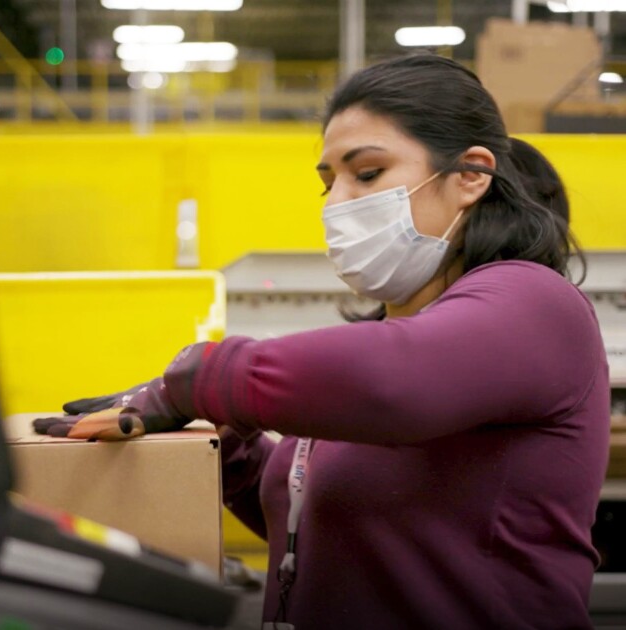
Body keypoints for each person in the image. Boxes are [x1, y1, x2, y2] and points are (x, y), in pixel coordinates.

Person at [35, 54, 610, 629]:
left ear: (471, 175)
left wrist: (203, 379)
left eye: (366, 174)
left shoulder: (535, 306)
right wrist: (233, 449)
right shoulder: (385, 338)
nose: (337, 203)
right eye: (327, 181)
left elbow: (396, 383)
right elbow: (328, 522)